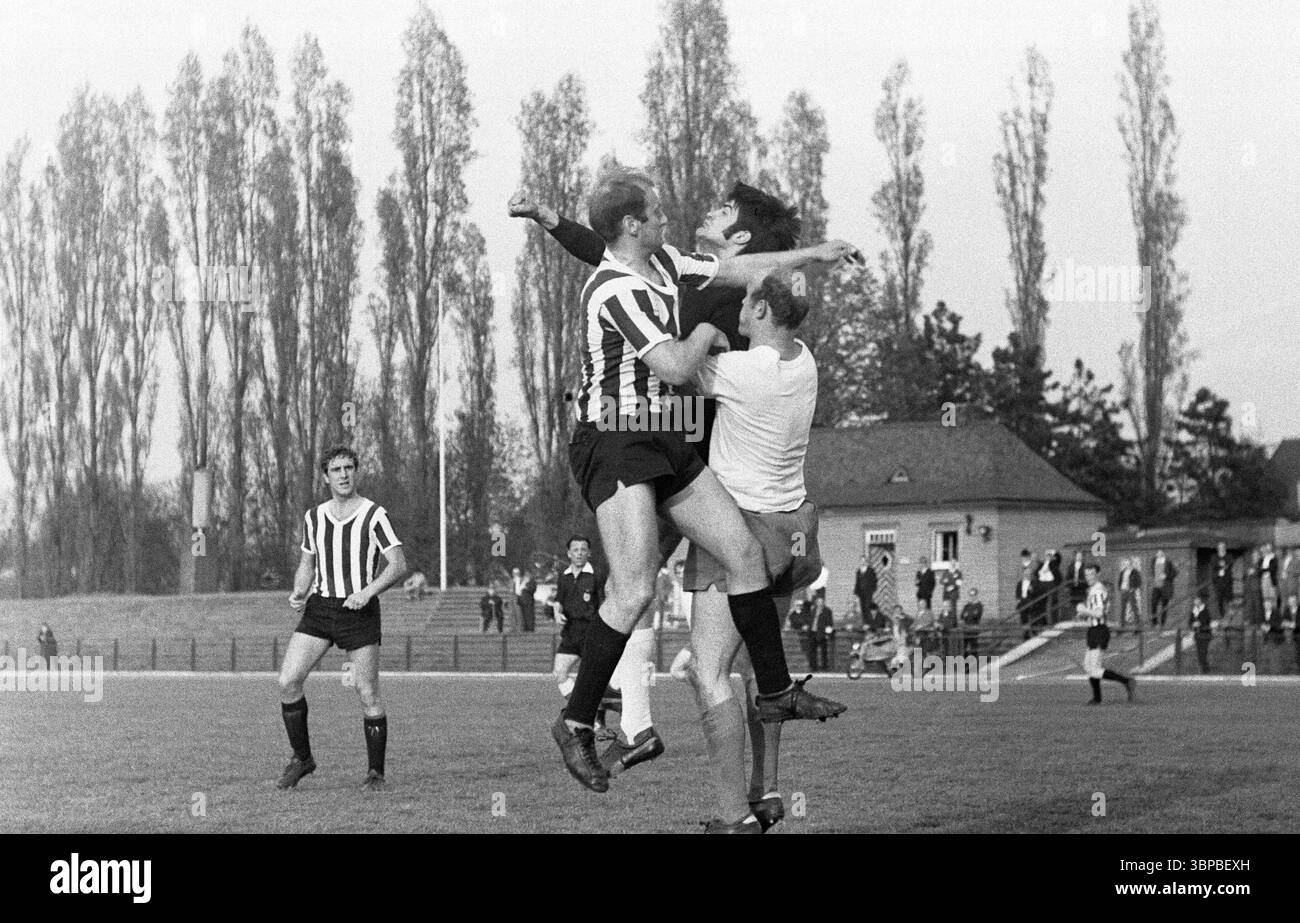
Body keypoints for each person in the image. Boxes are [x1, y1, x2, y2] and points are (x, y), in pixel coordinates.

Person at [511, 170, 855, 794]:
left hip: (667, 437)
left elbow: (738, 269)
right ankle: (577, 721)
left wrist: (816, 254)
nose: (672, 216)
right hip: (613, 439)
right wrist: (705, 334)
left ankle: (775, 693)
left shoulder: (661, 261)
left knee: (744, 552)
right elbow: (673, 361)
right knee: (636, 586)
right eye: (655, 212)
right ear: (634, 225)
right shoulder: (614, 289)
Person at [278, 445, 407, 791]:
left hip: (359, 612)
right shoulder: (313, 517)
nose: (344, 474)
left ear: (357, 472)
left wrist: (368, 592)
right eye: (336, 470)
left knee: (367, 692)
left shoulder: (373, 515)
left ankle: (375, 773)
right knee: (288, 681)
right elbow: (307, 563)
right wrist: (299, 591)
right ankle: (302, 758)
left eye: (349, 467)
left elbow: (398, 564)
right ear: (326, 477)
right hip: (320, 609)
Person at [1081, 564, 1136, 704]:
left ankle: (1126, 681)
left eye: (1092, 574)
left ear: (1097, 574)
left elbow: (1099, 613)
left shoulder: (1097, 591)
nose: (1089, 577)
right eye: (1087, 574)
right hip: (1094, 630)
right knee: (1088, 666)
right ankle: (1097, 698)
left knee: (1093, 668)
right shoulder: (1094, 590)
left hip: (1099, 631)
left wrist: (1084, 610)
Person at [1149, 549, 1177, 627]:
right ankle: (1154, 622)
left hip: (1165, 587)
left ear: (1163, 554)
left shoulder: (1168, 562)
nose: (1158, 554)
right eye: (1157, 552)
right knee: (1153, 604)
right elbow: (1152, 572)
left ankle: (1162, 624)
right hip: (1156, 586)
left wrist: (1166, 576)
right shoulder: (1153, 561)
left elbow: (1175, 573)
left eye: (1160, 552)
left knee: (1164, 606)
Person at [1189, 592, 1213, 673]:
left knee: (1204, 652)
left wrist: (1199, 623)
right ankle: (1203, 668)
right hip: (1197, 634)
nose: (1195, 601)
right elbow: (1190, 621)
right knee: (1199, 653)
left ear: (1200, 601)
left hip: (1205, 634)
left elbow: (1206, 620)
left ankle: (1205, 668)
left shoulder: (1205, 610)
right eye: (1195, 600)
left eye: (1197, 600)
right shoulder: (1194, 611)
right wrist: (1193, 624)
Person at [1015, 562, 1039, 640]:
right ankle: (1026, 636)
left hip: (1031, 603)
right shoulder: (1020, 583)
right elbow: (1018, 594)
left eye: (1029, 573)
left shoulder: (1034, 583)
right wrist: (1018, 600)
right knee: (1023, 619)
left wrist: (1031, 590)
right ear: (1023, 574)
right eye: (1026, 573)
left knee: (1033, 619)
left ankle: (1034, 633)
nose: (1027, 575)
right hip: (1022, 603)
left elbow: (1036, 593)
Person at [1211, 542, 1235, 619]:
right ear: (1218, 548)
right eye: (1220, 547)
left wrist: (1223, 565)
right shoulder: (1214, 557)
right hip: (1218, 581)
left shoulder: (1229, 556)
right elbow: (1214, 565)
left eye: (1223, 547)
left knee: (1229, 598)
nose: (1221, 549)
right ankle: (1221, 615)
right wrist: (1221, 566)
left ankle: (1230, 615)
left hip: (1227, 581)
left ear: (1225, 548)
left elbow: (1229, 564)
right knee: (1219, 599)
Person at [1118, 557, 1143, 626]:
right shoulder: (1123, 572)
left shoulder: (1135, 572)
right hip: (1124, 591)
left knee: (1134, 609)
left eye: (1128, 563)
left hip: (1130, 591)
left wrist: (1133, 588)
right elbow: (1120, 580)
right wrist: (1120, 588)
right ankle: (1122, 625)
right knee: (1122, 609)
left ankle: (1137, 626)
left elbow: (1139, 581)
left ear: (1131, 564)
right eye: (1126, 564)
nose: (1127, 565)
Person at [853, 556, 878, 625]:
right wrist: (855, 592)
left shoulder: (871, 570)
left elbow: (875, 580)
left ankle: (869, 622)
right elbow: (857, 582)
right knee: (862, 607)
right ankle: (865, 622)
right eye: (861, 561)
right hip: (861, 592)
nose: (863, 562)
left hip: (868, 591)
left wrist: (873, 589)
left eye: (864, 561)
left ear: (866, 562)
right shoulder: (858, 571)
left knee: (868, 606)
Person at [959, 588, 983, 657]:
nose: (972, 597)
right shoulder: (967, 605)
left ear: (976, 595)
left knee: (974, 647)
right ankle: (965, 664)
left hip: (974, 628)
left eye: (973, 595)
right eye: (970, 595)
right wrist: (970, 614)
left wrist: (967, 615)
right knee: (964, 647)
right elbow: (962, 616)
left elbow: (976, 616)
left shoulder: (979, 605)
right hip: (966, 629)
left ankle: (974, 664)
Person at [512, 567, 538, 633]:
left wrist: (526, 587)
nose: (526, 575)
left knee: (529, 615)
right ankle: (525, 628)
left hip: (528, 601)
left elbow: (533, 589)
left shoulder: (532, 581)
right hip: (521, 601)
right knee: (523, 616)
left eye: (528, 574)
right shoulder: (521, 581)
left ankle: (530, 628)